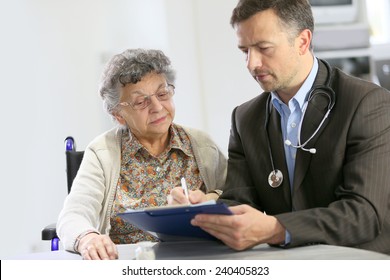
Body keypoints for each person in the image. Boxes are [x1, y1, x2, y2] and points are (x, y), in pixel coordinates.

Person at [169, 0, 390, 254]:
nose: (252, 64)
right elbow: (239, 202)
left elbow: (364, 214)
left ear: (303, 41)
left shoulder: (366, 104)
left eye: (263, 48)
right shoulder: (245, 118)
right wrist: (203, 211)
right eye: (245, 51)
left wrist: (275, 228)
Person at [57, 48, 227, 260]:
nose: (157, 107)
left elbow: (236, 196)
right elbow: (73, 215)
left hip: (196, 261)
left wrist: (209, 199)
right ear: (118, 115)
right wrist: (88, 238)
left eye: (162, 94)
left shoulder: (201, 145)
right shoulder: (102, 154)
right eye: (140, 102)